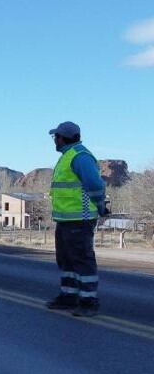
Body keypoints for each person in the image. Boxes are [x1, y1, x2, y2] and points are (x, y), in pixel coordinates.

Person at [46, 121, 108, 316]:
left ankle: (89, 301)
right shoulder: (67, 156)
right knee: (66, 260)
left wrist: (100, 206)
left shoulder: (79, 157)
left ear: (63, 137)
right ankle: (68, 296)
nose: (54, 140)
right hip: (65, 221)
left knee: (82, 260)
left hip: (79, 220)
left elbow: (95, 184)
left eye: (56, 136)